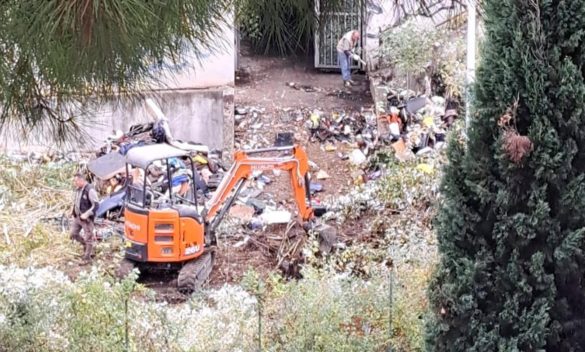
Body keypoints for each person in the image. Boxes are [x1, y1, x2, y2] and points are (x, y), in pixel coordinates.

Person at [70, 173, 99, 263]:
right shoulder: (78, 189)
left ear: (81, 180)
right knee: (73, 234)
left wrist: (87, 214)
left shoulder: (90, 190)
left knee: (88, 237)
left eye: (76, 181)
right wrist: (72, 211)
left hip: (86, 219)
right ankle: (86, 247)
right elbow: (76, 202)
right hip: (78, 217)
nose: (75, 183)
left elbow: (96, 205)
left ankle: (87, 258)